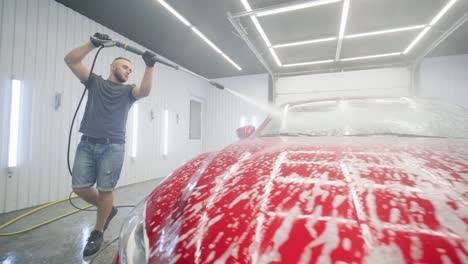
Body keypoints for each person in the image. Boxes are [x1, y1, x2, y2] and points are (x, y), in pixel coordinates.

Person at [64, 32, 157, 257]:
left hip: (113, 146)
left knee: (106, 190)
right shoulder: (94, 82)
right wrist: (92, 44)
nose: (127, 71)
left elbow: (144, 91)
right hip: (87, 143)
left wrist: (149, 67)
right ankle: (109, 210)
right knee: (79, 187)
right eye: (125, 67)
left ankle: (97, 231)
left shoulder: (128, 92)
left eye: (130, 70)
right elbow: (71, 60)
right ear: (113, 66)